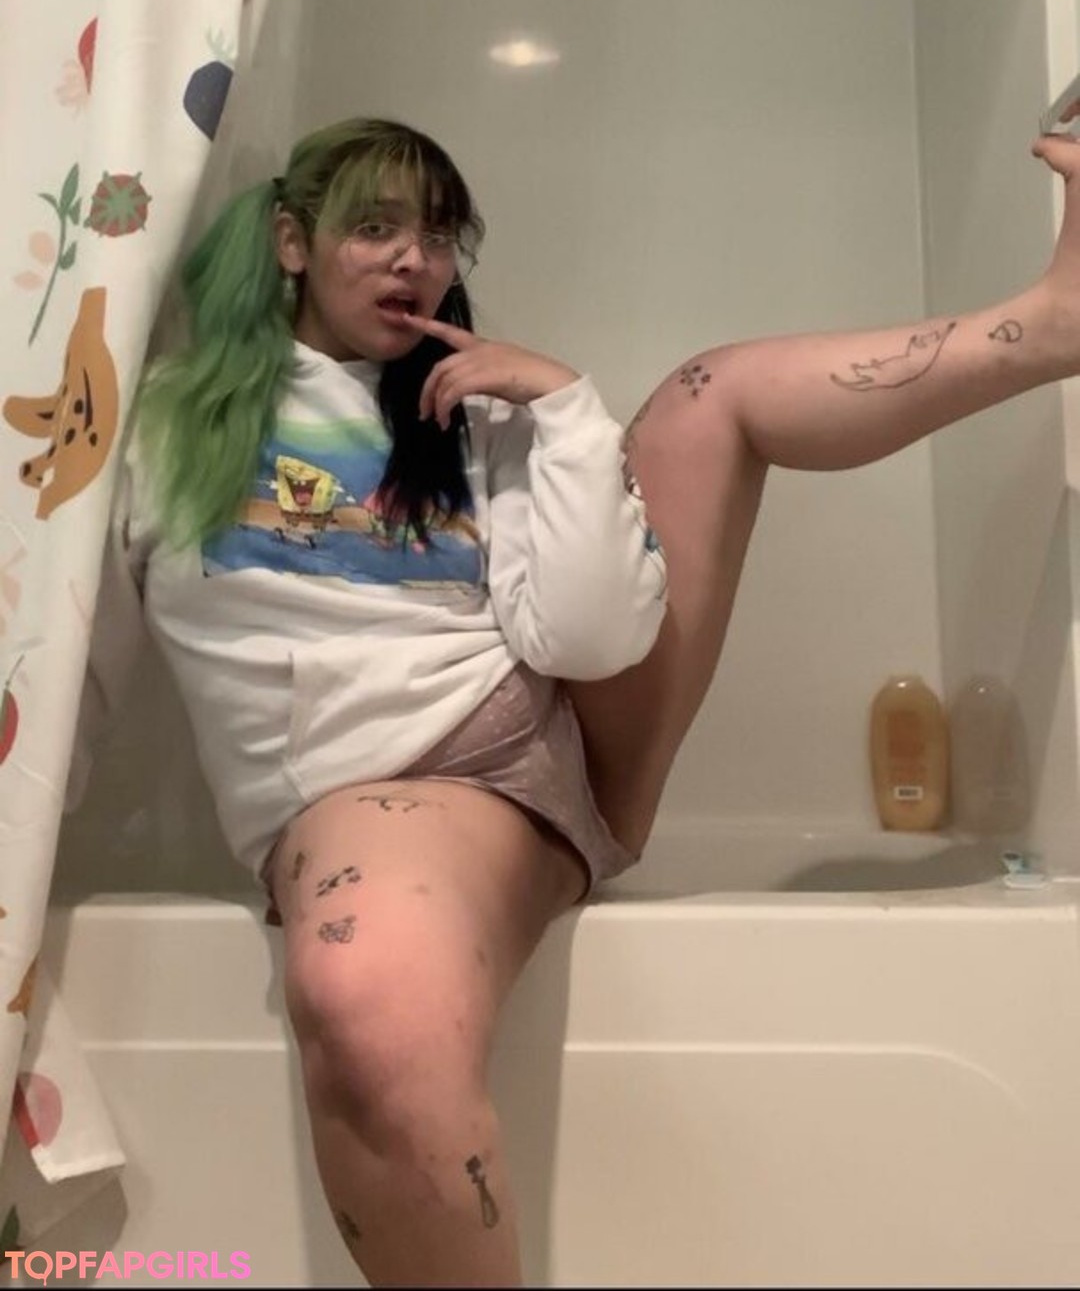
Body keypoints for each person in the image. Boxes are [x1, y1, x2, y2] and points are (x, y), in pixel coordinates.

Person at [105, 112, 1080, 1288]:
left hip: (528, 751)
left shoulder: (472, 417)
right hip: (365, 794)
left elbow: (587, 639)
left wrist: (564, 408)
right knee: (363, 982)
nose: (414, 257)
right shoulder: (156, 421)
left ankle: (1054, 320)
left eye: (437, 233)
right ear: (291, 240)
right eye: (375, 226)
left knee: (709, 392)